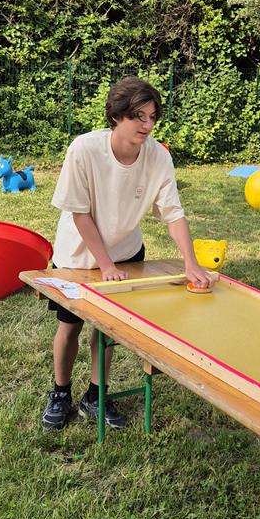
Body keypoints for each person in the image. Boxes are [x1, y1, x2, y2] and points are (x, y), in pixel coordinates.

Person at [41, 76, 212, 431]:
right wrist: (104, 263)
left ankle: (95, 395)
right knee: (69, 326)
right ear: (117, 115)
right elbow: (79, 211)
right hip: (77, 256)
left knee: (107, 330)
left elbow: (174, 213)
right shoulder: (84, 150)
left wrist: (191, 263)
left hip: (127, 254)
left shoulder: (158, 157)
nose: (148, 125)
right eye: (139, 117)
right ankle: (60, 392)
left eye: (152, 117)